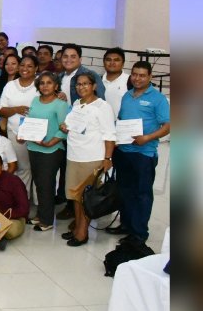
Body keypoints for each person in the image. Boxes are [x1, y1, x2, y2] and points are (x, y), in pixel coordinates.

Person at [110, 62, 170, 245]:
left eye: (142, 75)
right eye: (134, 74)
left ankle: (139, 233)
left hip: (144, 153)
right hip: (123, 151)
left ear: (150, 77)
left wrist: (148, 137)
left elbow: (168, 125)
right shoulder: (127, 96)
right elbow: (121, 120)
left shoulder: (158, 99)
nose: (137, 78)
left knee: (142, 194)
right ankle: (126, 225)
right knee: (124, 190)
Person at [58, 72, 116, 246]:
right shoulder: (77, 104)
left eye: (85, 84)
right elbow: (74, 126)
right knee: (75, 196)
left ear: (94, 86)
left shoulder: (102, 107)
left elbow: (109, 135)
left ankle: (82, 233)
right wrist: (65, 127)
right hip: (74, 155)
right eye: (78, 84)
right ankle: (77, 228)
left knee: (86, 197)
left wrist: (107, 158)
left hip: (91, 157)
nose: (81, 87)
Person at [25, 72, 68, 231]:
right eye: (42, 83)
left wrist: (51, 142)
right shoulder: (35, 100)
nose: (45, 86)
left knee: (46, 184)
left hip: (52, 150)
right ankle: (40, 215)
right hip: (33, 147)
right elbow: (30, 122)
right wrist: (24, 135)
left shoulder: (61, 104)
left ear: (56, 86)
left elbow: (65, 128)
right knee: (38, 183)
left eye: (49, 83)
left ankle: (47, 220)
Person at [0, 55, 39, 197]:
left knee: (33, 169)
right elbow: (1, 110)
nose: (25, 68)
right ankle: (21, 197)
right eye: (22, 65)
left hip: (37, 135)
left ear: (36, 69)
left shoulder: (41, 85)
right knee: (20, 167)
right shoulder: (10, 86)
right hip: (14, 133)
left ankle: (30, 199)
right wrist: (16, 109)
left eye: (29, 66)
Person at [101, 47, 130, 118]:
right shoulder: (97, 80)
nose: (112, 63)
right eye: (108, 60)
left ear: (123, 64)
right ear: (103, 62)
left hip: (122, 125)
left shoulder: (130, 80)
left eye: (116, 60)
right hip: (100, 125)